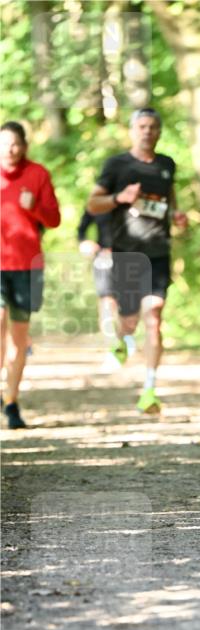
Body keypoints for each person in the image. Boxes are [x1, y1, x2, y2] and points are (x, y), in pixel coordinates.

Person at [86, 107, 187, 414]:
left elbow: (168, 197)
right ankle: (120, 340)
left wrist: (176, 214)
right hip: (126, 254)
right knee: (129, 321)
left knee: (153, 316)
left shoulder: (166, 164)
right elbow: (93, 204)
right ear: (132, 130)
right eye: (141, 126)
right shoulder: (117, 165)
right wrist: (120, 198)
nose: (147, 131)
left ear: (159, 132)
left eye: (152, 126)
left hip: (158, 252)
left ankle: (150, 389)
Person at [0, 121, 61, 429]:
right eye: (4, 144)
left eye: (15, 144)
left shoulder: (38, 174)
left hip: (27, 266)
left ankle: (11, 401)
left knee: (19, 338)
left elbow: (54, 219)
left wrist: (34, 206)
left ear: (24, 146)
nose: (10, 150)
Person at [77, 207, 125, 364]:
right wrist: (85, 242)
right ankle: (112, 346)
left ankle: (124, 341)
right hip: (104, 257)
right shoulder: (97, 201)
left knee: (127, 304)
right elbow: (81, 229)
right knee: (107, 302)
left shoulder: (132, 199)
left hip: (130, 257)